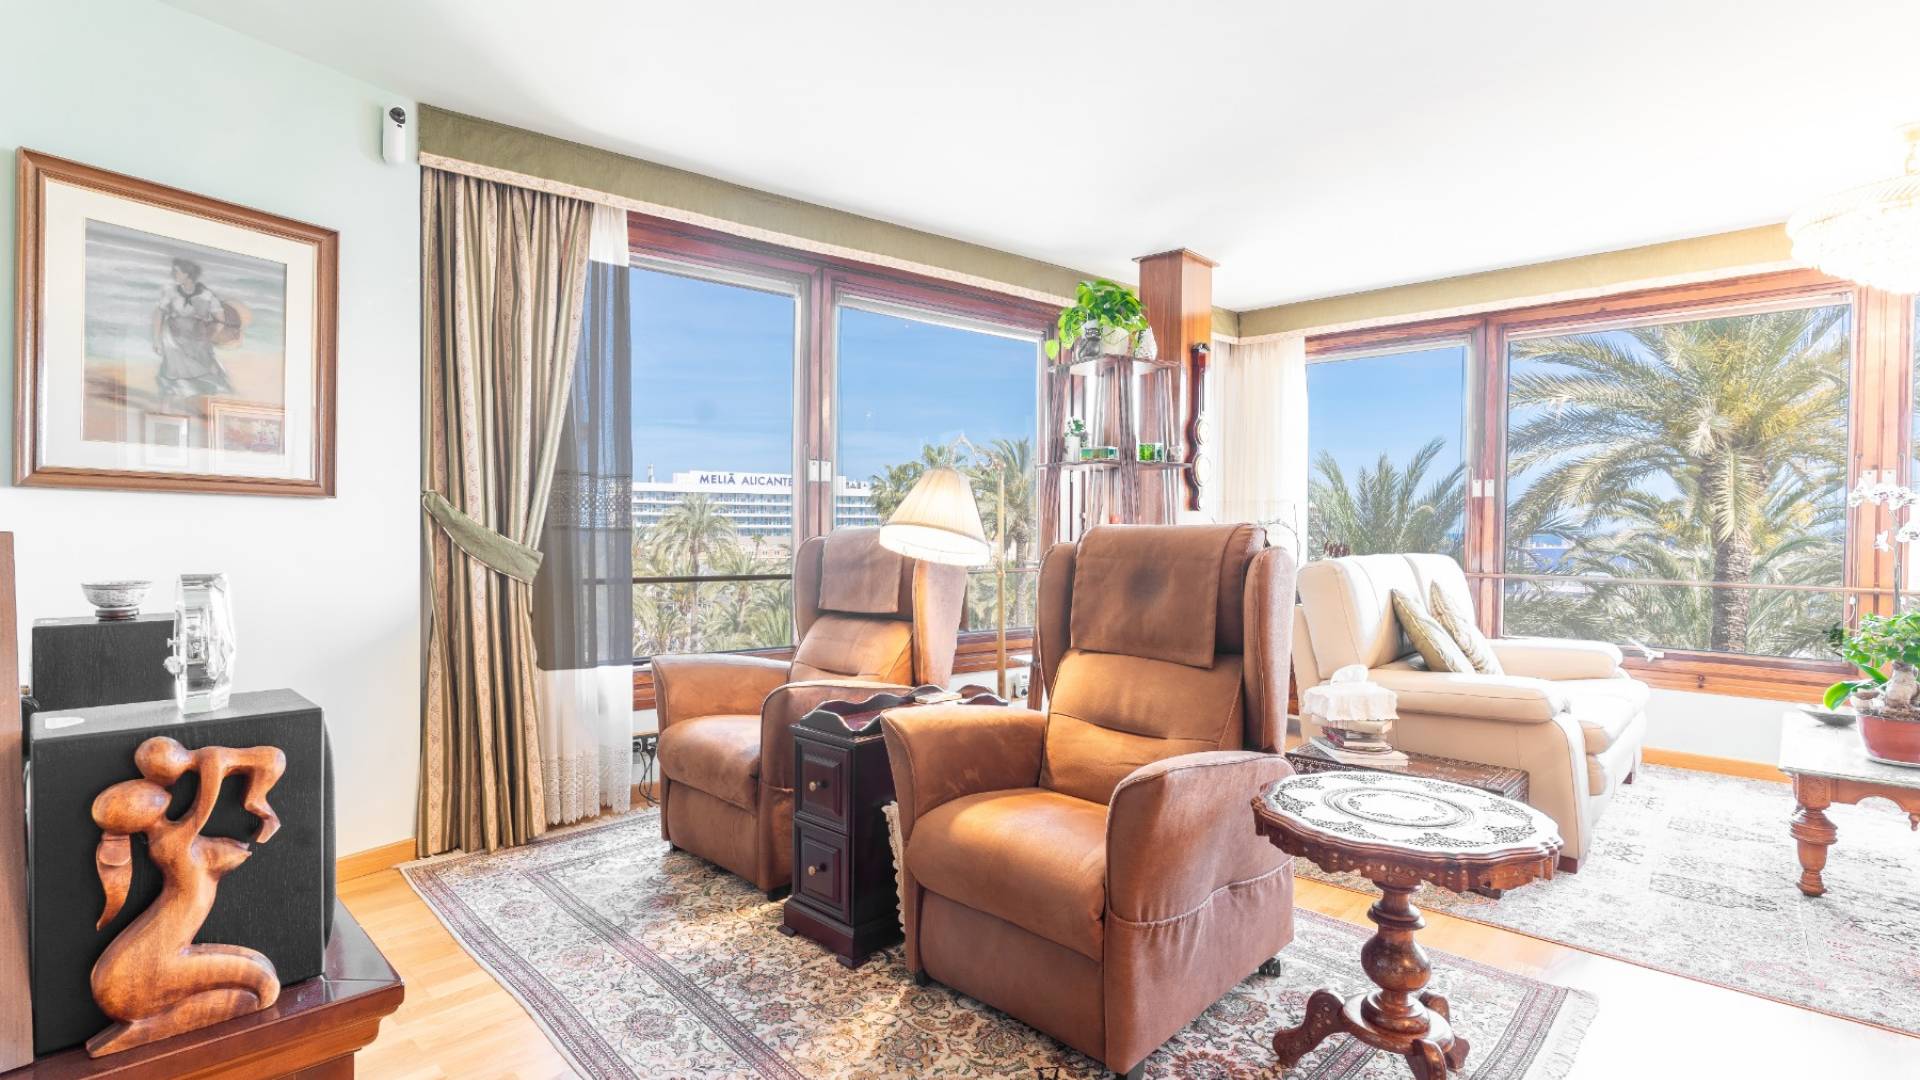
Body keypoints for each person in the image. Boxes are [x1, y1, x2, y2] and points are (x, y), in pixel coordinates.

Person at [150, 256, 236, 404]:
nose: (173, 274)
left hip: (197, 340)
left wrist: (210, 337)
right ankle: (169, 401)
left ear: (187, 274)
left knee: (205, 371)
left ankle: (198, 403)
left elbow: (220, 320)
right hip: (173, 338)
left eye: (177, 272)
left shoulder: (206, 295)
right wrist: (157, 339)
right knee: (173, 370)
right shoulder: (171, 293)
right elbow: (159, 314)